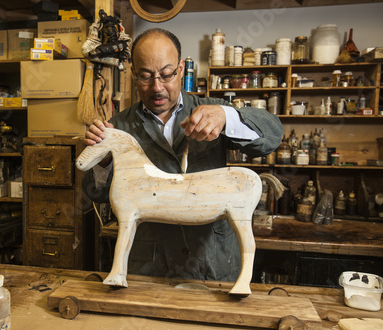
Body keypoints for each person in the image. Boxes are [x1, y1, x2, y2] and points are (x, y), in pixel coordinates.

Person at [82, 28, 283, 283]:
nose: (157, 87)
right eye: (145, 77)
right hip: (151, 268)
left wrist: (227, 117)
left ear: (180, 69)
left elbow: (272, 135)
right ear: (133, 74)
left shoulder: (211, 109)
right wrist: (103, 162)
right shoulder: (119, 126)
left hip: (213, 262)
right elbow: (94, 193)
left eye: (166, 75)